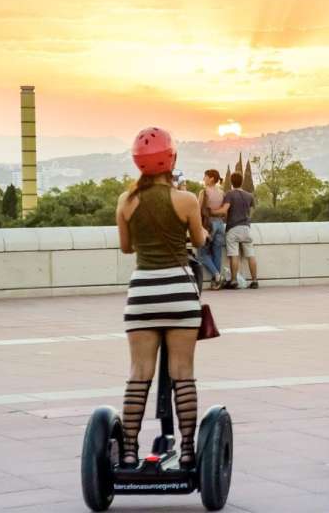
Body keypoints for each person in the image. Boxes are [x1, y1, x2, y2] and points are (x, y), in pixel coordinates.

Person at [115, 126, 209, 469]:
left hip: (142, 293)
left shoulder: (126, 202)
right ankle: (186, 450)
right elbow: (199, 241)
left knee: (139, 374)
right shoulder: (185, 199)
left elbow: (127, 248)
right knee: (183, 373)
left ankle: (127, 451)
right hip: (179, 293)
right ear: (171, 159)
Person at [222, 172, 259, 289]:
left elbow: (225, 210)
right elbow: (251, 211)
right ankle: (254, 281)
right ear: (242, 181)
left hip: (233, 228)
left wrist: (213, 212)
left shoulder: (229, 194)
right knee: (251, 255)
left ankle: (233, 281)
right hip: (246, 228)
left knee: (234, 255)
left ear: (231, 182)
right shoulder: (249, 195)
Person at [197, 169, 229, 289]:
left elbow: (198, 209)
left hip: (208, 224)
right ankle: (216, 282)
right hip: (220, 224)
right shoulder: (222, 193)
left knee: (202, 254)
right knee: (217, 253)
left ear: (211, 178)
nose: (204, 179)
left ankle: (216, 275)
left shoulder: (204, 192)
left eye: (205, 177)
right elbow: (224, 212)